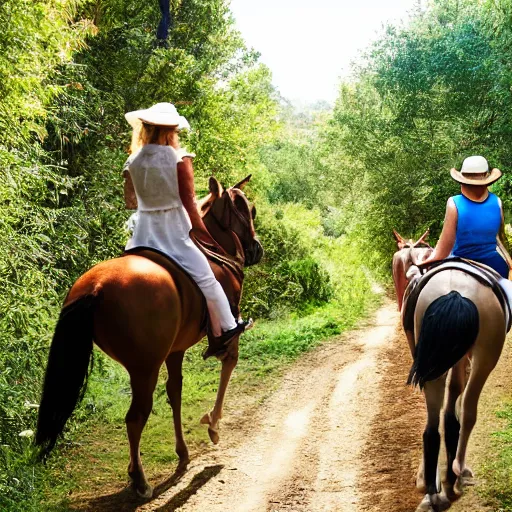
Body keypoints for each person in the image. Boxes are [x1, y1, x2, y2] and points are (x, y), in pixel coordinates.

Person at [122, 102, 252, 356]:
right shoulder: (179, 158)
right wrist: (205, 235)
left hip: (142, 234)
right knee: (208, 280)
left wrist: (153, 199)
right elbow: (190, 207)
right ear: (171, 130)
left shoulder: (132, 160)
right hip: (172, 233)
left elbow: (131, 203)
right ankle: (226, 328)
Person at [421, 155, 512, 295]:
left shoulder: (453, 203)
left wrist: (427, 261)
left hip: (459, 262)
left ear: (462, 179)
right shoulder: (497, 202)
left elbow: (445, 247)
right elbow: (500, 239)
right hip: (494, 264)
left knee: (427, 290)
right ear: (487, 178)